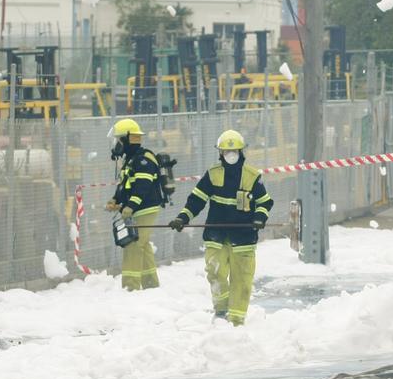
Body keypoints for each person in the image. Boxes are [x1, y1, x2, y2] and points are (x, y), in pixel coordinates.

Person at [169, 130, 274, 325]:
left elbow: (265, 202)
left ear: (241, 152)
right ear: (220, 153)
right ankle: (221, 311)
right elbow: (196, 200)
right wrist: (183, 217)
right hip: (216, 235)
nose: (230, 155)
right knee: (215, 272)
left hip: (243, 238)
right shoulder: (213, 175)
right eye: (226, 151)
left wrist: (259, 218)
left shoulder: (252, 177)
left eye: (234, 151)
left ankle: (235, 321)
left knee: (242, 281)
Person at [106, 118, 163, 291]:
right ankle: (151, 285)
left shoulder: (143, 160)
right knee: (142, 245)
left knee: (133, 244)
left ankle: (130, 287)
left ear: (128, 140)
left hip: (145, 208)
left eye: (119, 140)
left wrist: (130, 205)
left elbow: (142, 187)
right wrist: (115, 200)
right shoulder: (131, 160)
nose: (117, 145)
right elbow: (125, 185)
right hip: (136, 208)